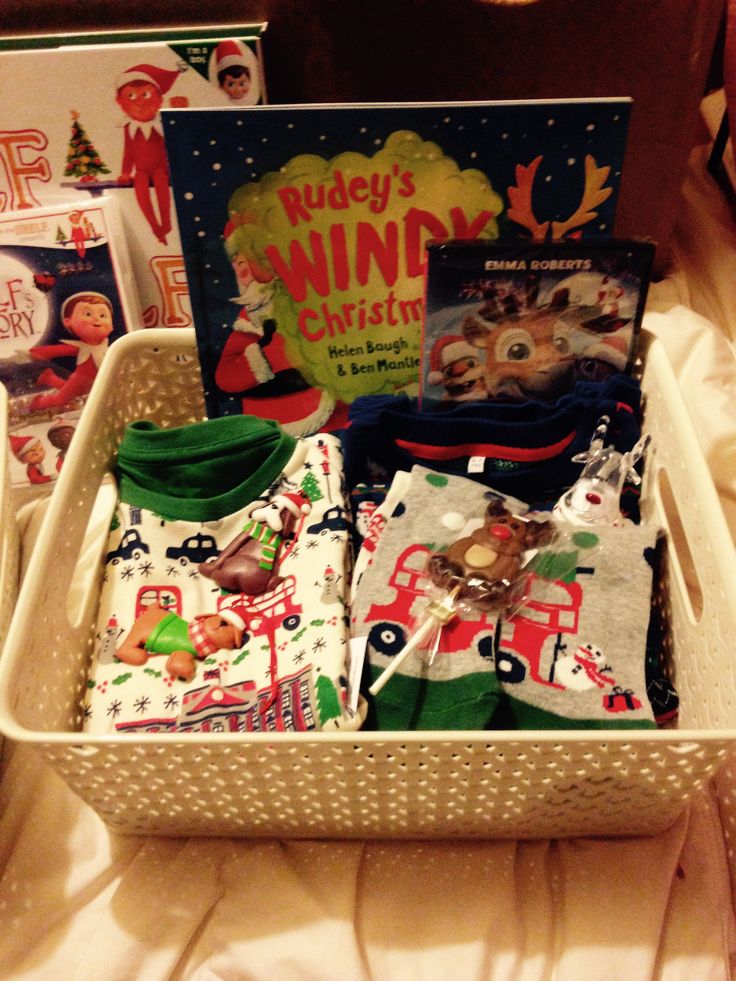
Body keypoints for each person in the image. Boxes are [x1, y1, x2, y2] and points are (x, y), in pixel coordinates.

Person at [115, 63, 182, 244]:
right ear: (120, 101)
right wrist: (126, 172)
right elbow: (128, 152)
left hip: (161, 168)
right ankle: (153, 225)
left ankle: (166, 223)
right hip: (142, 171)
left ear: (159, 99)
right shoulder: (129, 127)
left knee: (161, 180)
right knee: (141, 186)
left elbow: (172, 146)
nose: (139, 101)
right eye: (131, 96)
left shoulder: (162, 124)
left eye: (145, 94)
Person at [30, 291, 114, 411]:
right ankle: (40, 402)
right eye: (88, 313)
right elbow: (58, 350)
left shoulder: (108, 345)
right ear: (68, 322)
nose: (96, 319)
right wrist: (36, 353)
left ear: (111, 325)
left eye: (103, 315)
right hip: (80, 379)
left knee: (74, 393)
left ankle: (49, 378)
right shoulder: (81, 347)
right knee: (61, 400)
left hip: (95, 379)